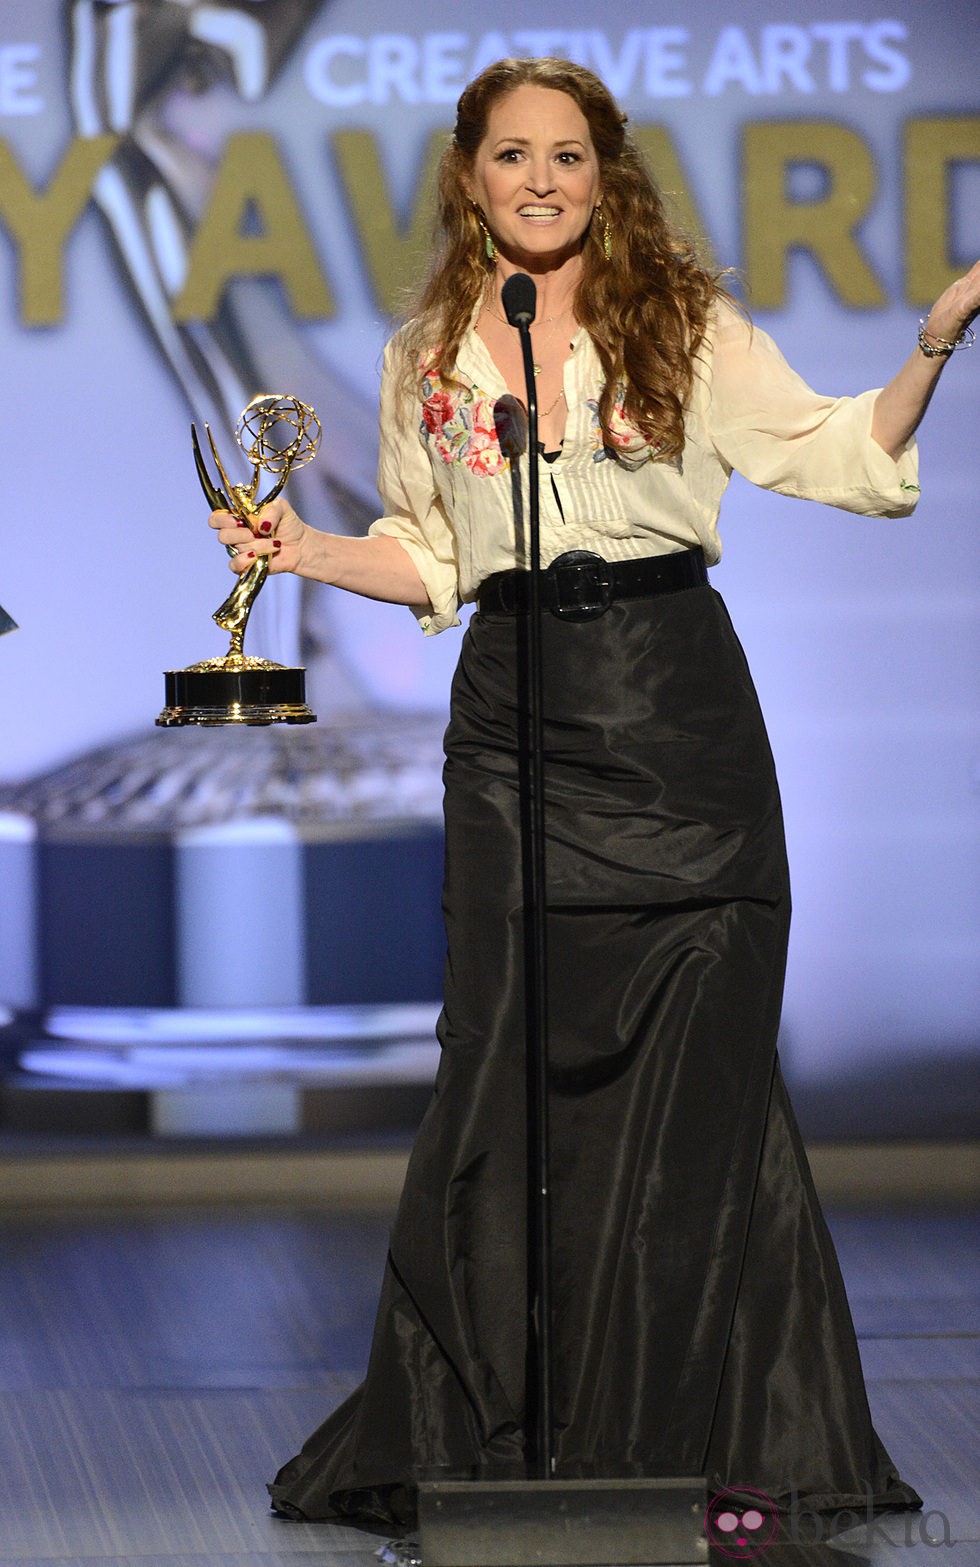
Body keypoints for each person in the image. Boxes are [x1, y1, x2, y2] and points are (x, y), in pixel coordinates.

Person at [210, 57, 978, 1538]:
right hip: (513, 733)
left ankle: (707, 1439)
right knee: (504, 1071)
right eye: (514, 156)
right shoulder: (430, 347)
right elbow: (434, 561)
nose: (543, 181)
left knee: (701, 1088)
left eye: (569, 155)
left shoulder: (681, 322)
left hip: (676, 726)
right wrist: (300, 551)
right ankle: (502, 1441)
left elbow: (839, 454)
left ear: (605, 172)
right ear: (470, 175)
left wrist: (932, 347)